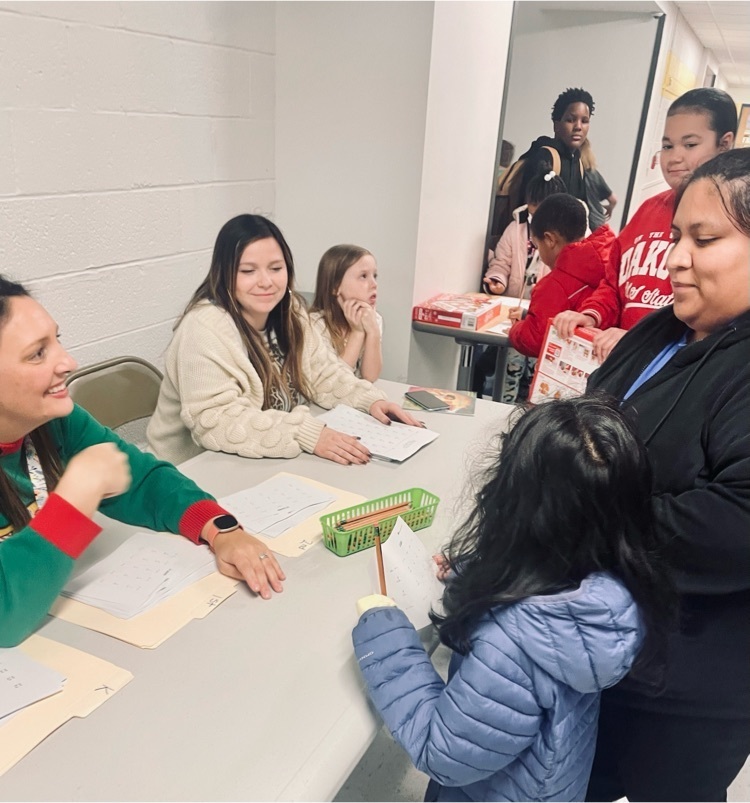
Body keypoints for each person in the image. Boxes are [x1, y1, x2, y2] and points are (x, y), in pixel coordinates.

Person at [352, 396, 674, 802]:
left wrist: (386, 637)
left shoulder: (511, 647)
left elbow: (445, 752)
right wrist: (482, 574)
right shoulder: (616, 594)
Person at [584, 148, 750, 802]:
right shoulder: (661, 332)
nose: (676, 256)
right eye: (676, 235)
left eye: (703, 239)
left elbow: (737, 519)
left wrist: (577, 514)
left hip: (684, 690)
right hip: (601, 654)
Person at [0, 277, 286, 646]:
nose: (68, 362)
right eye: (38, 353)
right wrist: (76, 499)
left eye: (57, 340)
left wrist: (222, 529)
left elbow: (144, 480)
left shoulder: (56, 422)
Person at [147, 215, 418, 466]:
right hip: (190, 473)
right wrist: (307, 433)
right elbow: (216, 421)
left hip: (256, 463)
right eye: (248, 271)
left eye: (276, 268)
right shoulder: (203, 328)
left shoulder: (291, 311)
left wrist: (369, 401)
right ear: (224, 273)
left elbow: (324, 373)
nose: (266, 282)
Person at [554, 87, 736, 362]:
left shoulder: (733, 227)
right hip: (623, 374)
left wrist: (640, 340)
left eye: (690, 145)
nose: (674, 157)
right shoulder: (647, 211)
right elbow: (613, 284)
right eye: (667, 145)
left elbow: (718, 327)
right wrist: (592, 315)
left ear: (724, 144)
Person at [476, 168, 568, 402]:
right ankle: (505, 404)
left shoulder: (569, 238)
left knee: (537, 375)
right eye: (532, 212)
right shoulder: (515, 229)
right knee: (511, 367)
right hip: (516, 312)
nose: (534, 220)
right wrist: (497, 280)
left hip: (546, 319)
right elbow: (501, 262)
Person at [508, 193, 614, 358]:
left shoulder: (554, 285)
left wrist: (516, 328)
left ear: (550, 240)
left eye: (537, 245)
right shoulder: (609, 258)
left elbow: (535, 339)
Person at [310, 244, 382, 382]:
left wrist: (373, 331)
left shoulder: (373, 319)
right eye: (363, 276)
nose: (374, 284)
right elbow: (335, 382)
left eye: (375, 276)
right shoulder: (315, 325)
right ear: (335, 287)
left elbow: (370, 377)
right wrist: (357, 333)